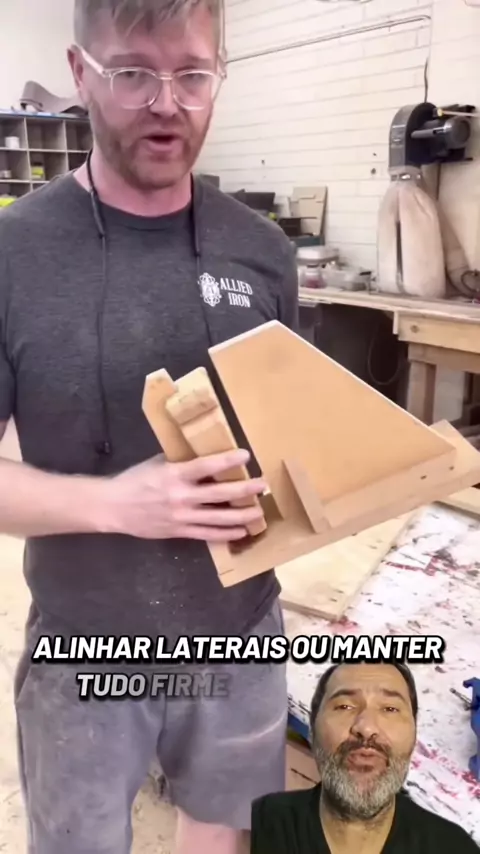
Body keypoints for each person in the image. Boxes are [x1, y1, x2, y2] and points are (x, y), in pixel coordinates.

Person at [0, 1, 299, 853]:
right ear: (80, 71)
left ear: (218, 75)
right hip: (84, 648)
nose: (167, 103)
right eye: (133, 72)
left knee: (224, 836)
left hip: (242, 635)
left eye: (193, 74)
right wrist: (116, 505)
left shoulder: (262, 251)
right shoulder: (14, 254)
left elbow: (292, 437)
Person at [251, 662, 480, 853]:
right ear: (313, 729)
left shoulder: (454, 848)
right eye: (344, 706)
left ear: (414, 733)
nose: (367, 727)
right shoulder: (254, 829)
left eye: (390, 709)